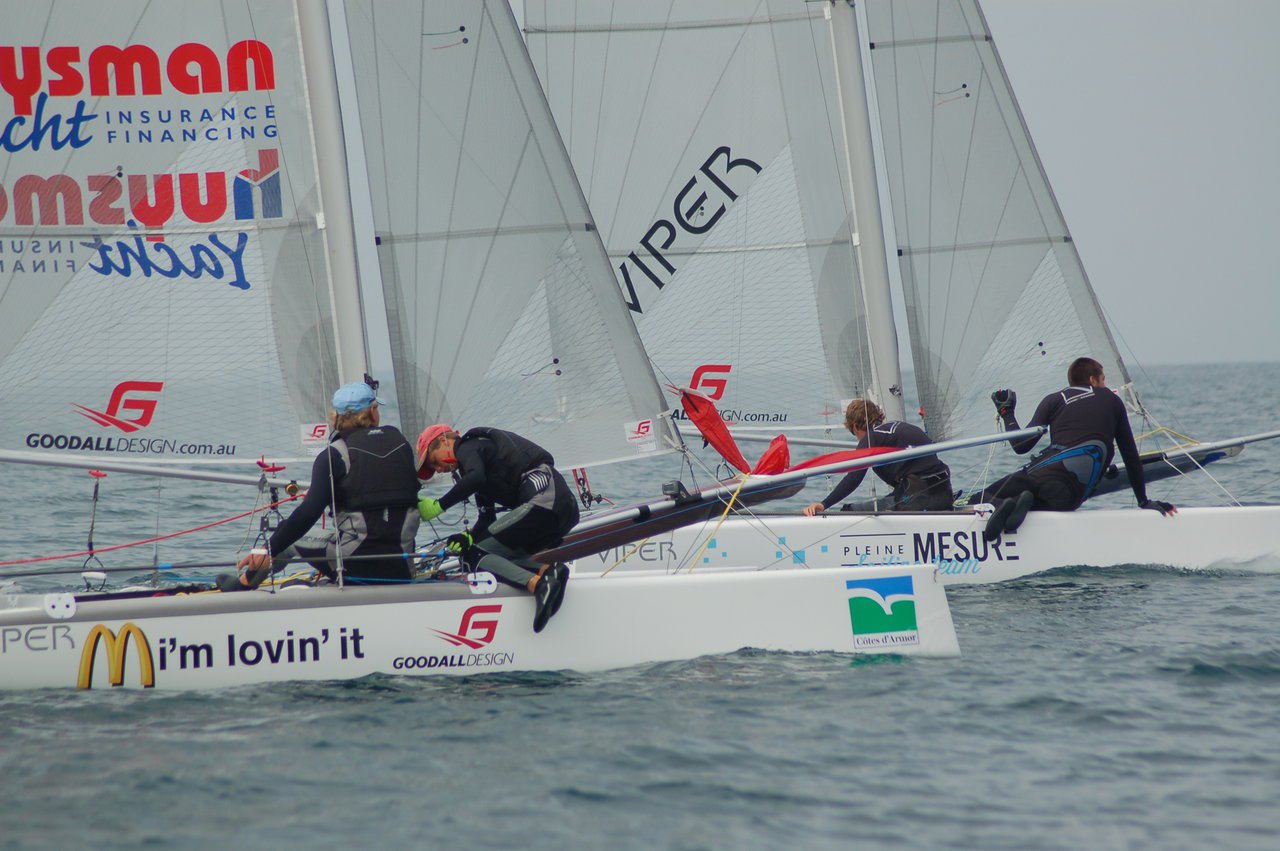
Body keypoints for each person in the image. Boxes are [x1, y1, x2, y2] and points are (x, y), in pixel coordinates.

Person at [221, 379, 421, 590]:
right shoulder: (401, 444)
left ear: (336, 418)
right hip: (402, 570)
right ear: (372, 412)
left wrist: (267, 549)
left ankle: (245, 583)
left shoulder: (333, 455)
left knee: (284, 535)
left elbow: (307, 514)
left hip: (353, 569)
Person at [979, 356, 1177, 541]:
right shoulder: (1113, 400)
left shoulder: (1054, 399)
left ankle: (1006, 504)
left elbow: (1021, 446)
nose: (1105, 385)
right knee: (1044, 498)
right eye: (1103, 379)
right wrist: (1143, 501)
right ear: (1092, 379)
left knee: (980, 498)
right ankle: (1023, 503)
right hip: (1072, 497)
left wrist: (1006, 412)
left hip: (1043, 478)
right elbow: (1130, 454)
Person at [416, 424, 578, 633]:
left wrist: (438, 506)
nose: (437, 469)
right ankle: (549, 571)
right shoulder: (480, 465)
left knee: (476, 556)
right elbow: (487, 519)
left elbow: (475, 478)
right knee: (483, 553)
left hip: (546, 504)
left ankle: (538, 585)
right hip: (561, 510)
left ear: (444, 441)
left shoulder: (468, 446)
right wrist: (467, 538)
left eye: (433, 461)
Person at [803, 399, 953, 516]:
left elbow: (854, 478)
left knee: (848, 511)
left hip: (918, 498)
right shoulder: (897, 428)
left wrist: (824, 504)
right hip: (944, 493)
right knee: (890, 499)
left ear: (854, 426)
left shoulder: (871, 438)